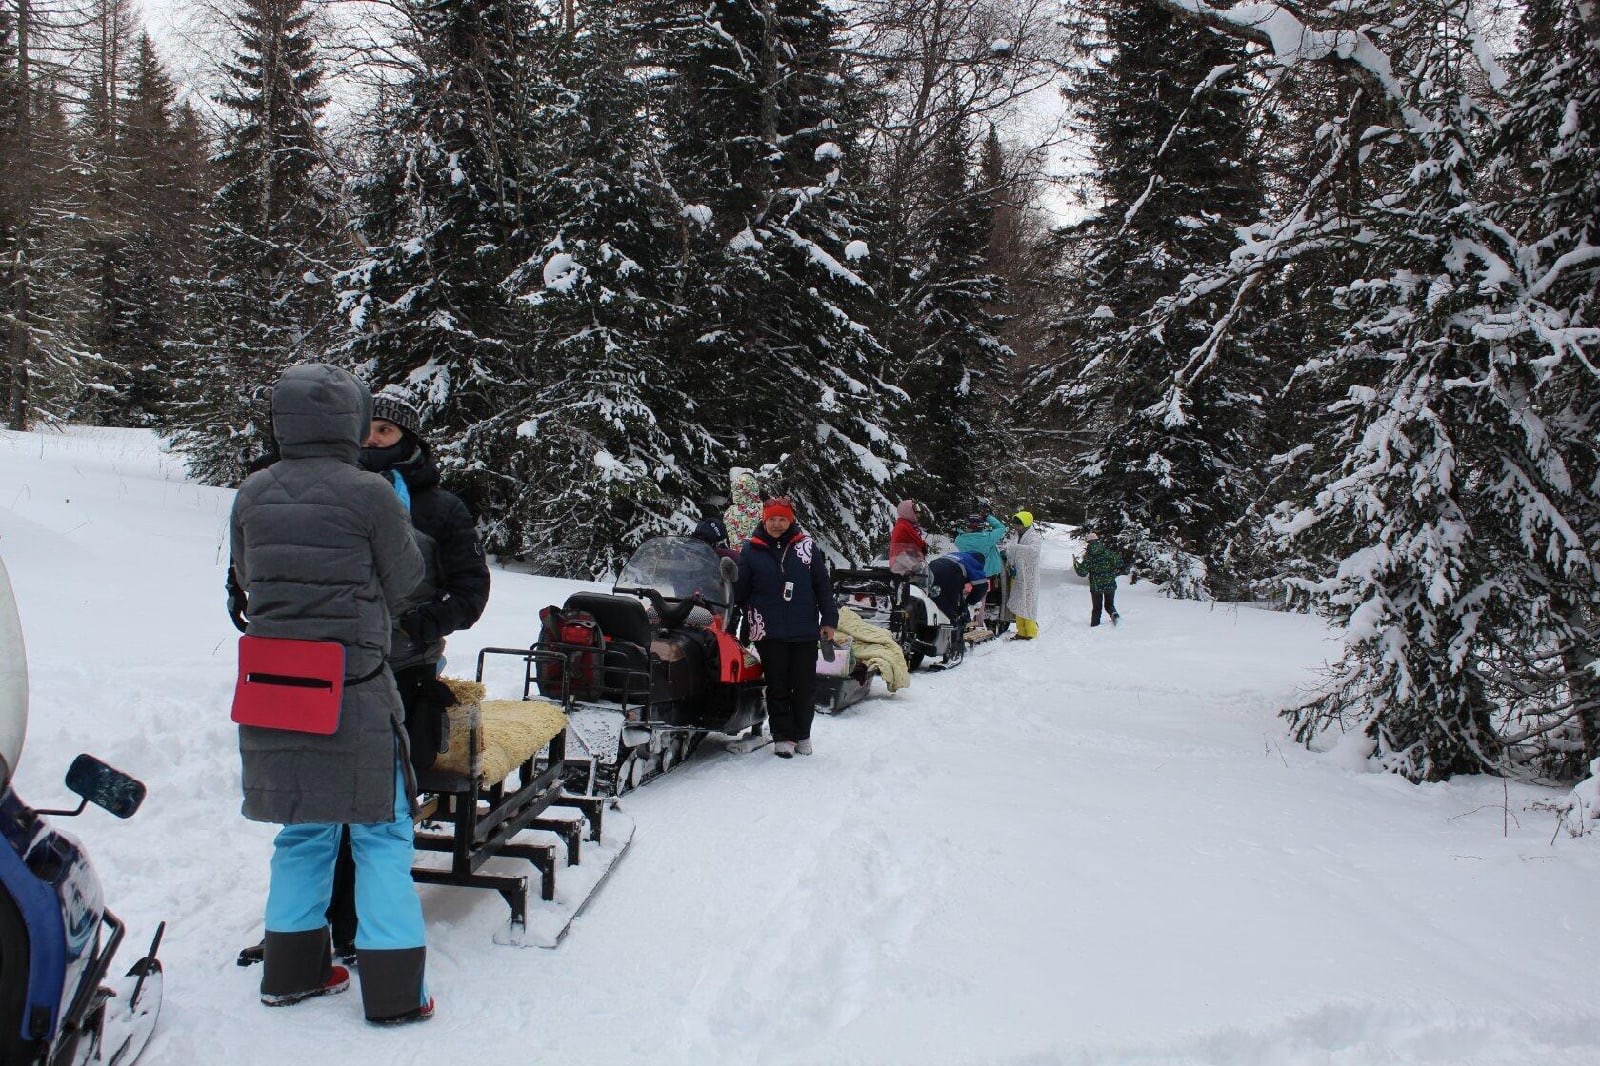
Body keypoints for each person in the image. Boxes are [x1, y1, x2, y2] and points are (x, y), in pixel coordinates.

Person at [229, 363, 434, 1024]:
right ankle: (396, 993)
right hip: (355, 687)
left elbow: (243, 578)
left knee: (302, 831)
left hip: (276, 689)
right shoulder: (370, 494)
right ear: (351, 418)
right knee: (381, 834)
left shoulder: (252, 493)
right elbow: (407, 583)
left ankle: (291, 973)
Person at [315, 391, 491, 962]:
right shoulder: (326, 491)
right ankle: (317, 923)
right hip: (330, 670)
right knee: (319, 808)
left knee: (384, 804)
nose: (372, 440)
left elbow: (470, 591)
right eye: (366, 429)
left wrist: (420, 625)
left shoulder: (439, 508)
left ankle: (371, 927)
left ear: (407, 439)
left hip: (404, 673)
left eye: (385, 431)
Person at [734, 497, 838, 758]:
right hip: (768, 630)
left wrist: (828, 621)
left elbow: (823, 587)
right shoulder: (751, 550)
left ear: (790, 520)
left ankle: (803, 734)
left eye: (782, 519)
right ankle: (783, 736)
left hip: (804, 629)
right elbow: (741, 591)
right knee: (777, 685)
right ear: (764, 520)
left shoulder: (807, 548)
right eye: (772, 519)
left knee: (804, 686)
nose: (777, 524)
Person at [953, 512, 1007, 635]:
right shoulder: (987, 538)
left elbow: (959, 535)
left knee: (966, 599)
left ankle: (965, 622)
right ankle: (978, 626)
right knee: (980, 601)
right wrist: (988, 516)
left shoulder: (960, 539)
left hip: (966, 574)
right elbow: (1001, 528)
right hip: (983, 575)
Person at [1073, 531, 1124, 627]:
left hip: (1096, 587)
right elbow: (1119, 563)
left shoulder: (1089, 558)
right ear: (1098, 540)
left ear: (1088, 543)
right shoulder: (1107, 553)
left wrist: (1076, 564)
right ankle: (1115, 615)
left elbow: (1082, 572)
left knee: (1097, 608)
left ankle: (1094, 626)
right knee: (1109, 605)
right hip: (1110, 583)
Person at [1007, 511, 1042, 640]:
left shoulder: (1034, 537)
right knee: (1018, 602)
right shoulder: (1016, 536)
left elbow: (1033, 552)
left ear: (1026, 523)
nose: (1016, 526)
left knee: (1028, 603)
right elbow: (1011, 549)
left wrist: (1016, 548)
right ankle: (1021, 631)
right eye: (1015, 524)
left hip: (1029, 577)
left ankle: (1031, 631)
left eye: (1019, 524)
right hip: (1017, 575)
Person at [724, 468, 765, 546]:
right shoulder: (762, 509)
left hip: (735, 555)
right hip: (759, 553)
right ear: (754, 487)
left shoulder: (729, 512)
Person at [887, 499, 928, 575]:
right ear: (907, 512)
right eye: (915, 512)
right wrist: (913, 566)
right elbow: (899, 553)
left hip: (908, 568)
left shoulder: (909, 526)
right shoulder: (903, 527)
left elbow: (913, 548)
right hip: (902, 569)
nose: (918, 515)